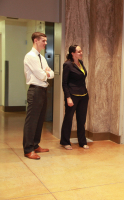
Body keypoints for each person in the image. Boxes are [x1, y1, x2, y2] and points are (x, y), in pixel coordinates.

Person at [23, 32, 54, 160]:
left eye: (46, 41)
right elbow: (41, 75)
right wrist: (45, 73)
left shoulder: (41, 57)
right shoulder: (30, 56)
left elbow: (51, 73)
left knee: (40, 119)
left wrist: (47, 73)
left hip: (43, 90)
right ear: (36, 40)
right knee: (32, 121)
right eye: (43, 41)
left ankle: (36, 145)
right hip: (35, 90)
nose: (46, 43)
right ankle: (28, 149)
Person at [60, 45, 89, 150]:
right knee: (68, 118)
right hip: (72, 95)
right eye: (79, 51)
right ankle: (65, 141)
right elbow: (64, 83)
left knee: (82, 119)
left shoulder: (81, 63)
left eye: (81, 51)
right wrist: (68, 97)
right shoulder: (67, 65)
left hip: (84, 95)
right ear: (72, 53)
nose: (81, 53)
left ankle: (82, 142)